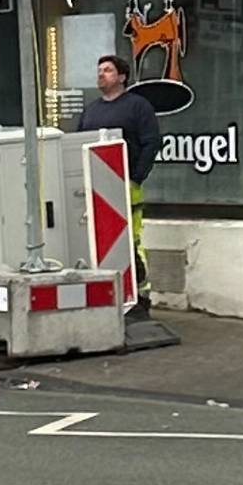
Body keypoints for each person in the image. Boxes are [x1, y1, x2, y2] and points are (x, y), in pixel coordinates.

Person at [75, 54, 161, 310]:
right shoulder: (91, 111)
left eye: (108, 70)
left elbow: (151, 142)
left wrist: (136, 177)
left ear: (122, 77)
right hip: (94, 188)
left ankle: (140, 294)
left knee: (130, 240)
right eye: (99, 70)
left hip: (126, 186)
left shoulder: (137, 106)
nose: (101, 74)